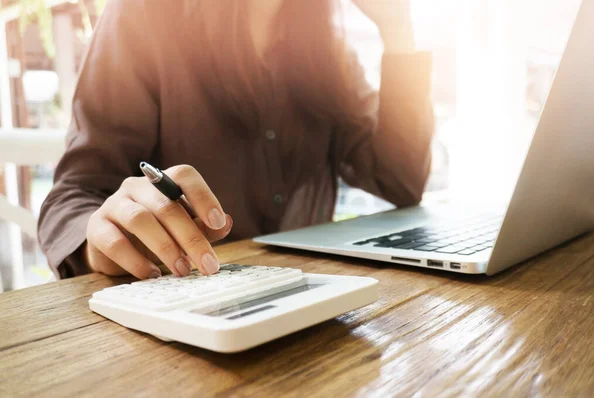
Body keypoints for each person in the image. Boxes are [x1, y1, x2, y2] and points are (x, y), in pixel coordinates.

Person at [38, 0, 434, 280]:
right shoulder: (147, 13)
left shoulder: (328, 50)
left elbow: (400, 181)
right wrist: (102, 241)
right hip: (185, 312)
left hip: (311, 305)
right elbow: (75, 195)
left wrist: (397, 27)